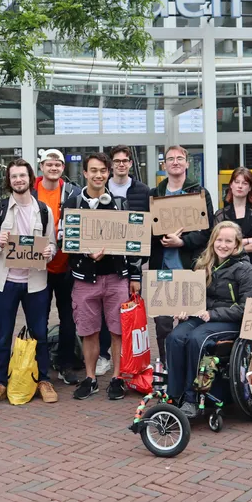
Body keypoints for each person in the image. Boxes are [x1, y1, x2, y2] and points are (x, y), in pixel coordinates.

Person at [61, 152, 141, 401]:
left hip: (116, 277)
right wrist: (87, 252)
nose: (98, 175)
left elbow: (133, 242)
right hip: (85, 279)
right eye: (93, 170)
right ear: (85, 173)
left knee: (118, 331)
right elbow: (66, 239)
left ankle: (117, 378)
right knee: (88, 331)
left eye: (103, 171)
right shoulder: (73, 203)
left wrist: (135, 276)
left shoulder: (120, 204)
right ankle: (90, 378)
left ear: (109, 173)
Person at [0, 159, 59, 406]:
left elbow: (52, 244)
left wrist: (50, 252)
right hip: (6, 282)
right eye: (14, 176)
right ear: (9, 180)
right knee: (3, 335)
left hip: (36, 282)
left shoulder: (44, 210)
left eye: (22, 175)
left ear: (30, 178)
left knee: (40, 334)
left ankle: (43, 379)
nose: (18, 180)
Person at [164, 221, 252, 418]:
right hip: (204, 316)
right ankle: (174, 394)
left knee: (197, 338)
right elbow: (194, 297)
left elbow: (248, 308)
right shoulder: (203, 262)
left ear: (237, 244)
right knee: (175, 337)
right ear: (212, 241)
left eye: (228, 241)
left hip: (231, 320)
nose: (223, 245)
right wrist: (185, 308)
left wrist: (213, 314)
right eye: (219, 240)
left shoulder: (246, 269)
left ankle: (191, 398)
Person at [149, 145, 215, 360]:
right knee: (162, 325)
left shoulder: (200, 193)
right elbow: (147, 229)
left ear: (187, 163)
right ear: (165, 164)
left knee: (190, 324)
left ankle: (187, 368)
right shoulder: (155, 194)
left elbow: (208, 231)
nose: (175, 162)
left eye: (179, 158)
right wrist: (161, 237)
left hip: (190, 267)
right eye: (170, 159)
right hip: (162, 269)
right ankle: (167, 367)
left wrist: (182, 242)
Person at [98, 145, 151, 375]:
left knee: (128, 314)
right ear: (111, 165)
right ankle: (103, 355)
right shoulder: (99, 188)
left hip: (130, 264)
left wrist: (136, 274)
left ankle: (128, 359)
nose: (121, 164)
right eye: (117, 161)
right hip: (103, 264)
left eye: (125, 161)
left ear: (130, 163)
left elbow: (144, 233)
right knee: (103, 315)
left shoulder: (143, 192)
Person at [34, 149, 83, 385]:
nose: (53, 168)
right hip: (38, 267)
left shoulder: (73, 192)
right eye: (49, 164)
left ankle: (65, 364)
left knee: (68, 319)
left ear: (63, 168)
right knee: (38, 318)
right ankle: (39, 364)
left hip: (66, 265)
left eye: (57, 164)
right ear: (41, 167)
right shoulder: (30, 191)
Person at [215, 167, 252, 299]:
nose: (240, 186)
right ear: (231, 185)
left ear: (250, 187)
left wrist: (233, 246)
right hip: (228, 269)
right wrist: (250, 240)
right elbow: (216, 244)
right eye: (237, 182)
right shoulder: (221, 215)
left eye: (245, 183)